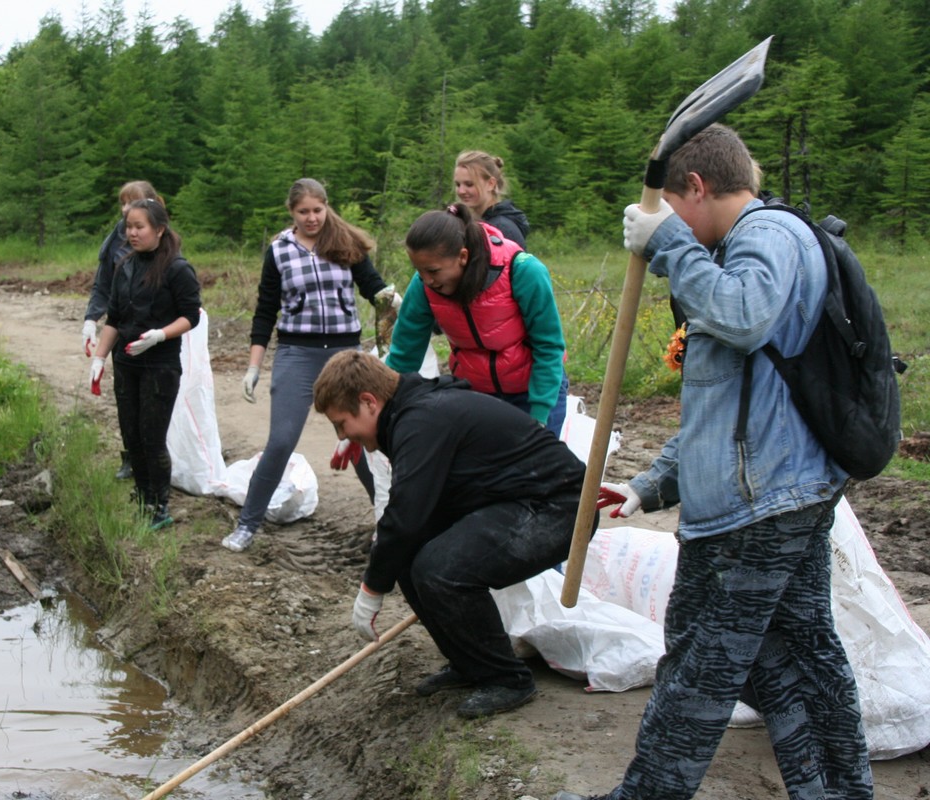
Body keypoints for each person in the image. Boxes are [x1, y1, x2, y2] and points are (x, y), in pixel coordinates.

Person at [552, 124, 872, 800]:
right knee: (797, 658)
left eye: (671, 209)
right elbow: (728, 406)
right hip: (772, 495)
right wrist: (652, 484)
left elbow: (745, 315)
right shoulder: (738, 249)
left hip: (756, 509)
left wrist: (665, 243)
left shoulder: (768, 239)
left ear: (695, 188)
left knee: (700, 665)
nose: (668, 228)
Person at [312, 350, 589, 719]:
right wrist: (356, 433)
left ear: (369, 401)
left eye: (342, 423)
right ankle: (470, 664)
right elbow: (410, 523)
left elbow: (405, 514)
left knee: (441, 569)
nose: (343, 434)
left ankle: (507, 678)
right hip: (509, 501)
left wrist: (371, 588)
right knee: (409, 557)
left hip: (560, 508)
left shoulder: (421, 419)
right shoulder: (408, 413)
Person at [223, 178, 393, 553]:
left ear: (327, 207)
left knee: (366, 442)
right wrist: (254, 365)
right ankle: (247, 524)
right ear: (291, 212)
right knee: (281, 441)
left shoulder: (345, 243)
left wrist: (401, 305)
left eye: (318, 210)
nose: (312, 218)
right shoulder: (279, 251)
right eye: (304, 212)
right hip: (298, 352)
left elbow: (376, 291)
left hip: (346, 356)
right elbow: (266, 309)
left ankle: (390, 524)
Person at [384, 204, 569, 437]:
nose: (426, 280)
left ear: (463, 256)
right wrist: (382, 409)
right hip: (477, 393)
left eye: (433, 271)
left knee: (532, 470)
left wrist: (540, 415)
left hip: (533, 392)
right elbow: (404, 354)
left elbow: (548, 346)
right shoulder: (424, 284)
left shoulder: (522, 270)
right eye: (419, 271)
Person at [88, 199, 201, 530]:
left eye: (140, 227)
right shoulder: (124, 266)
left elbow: (190, 316)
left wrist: (161, 335)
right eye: (129, 227)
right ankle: (141, 494)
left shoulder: (178, 269)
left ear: (159, 229)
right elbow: (115, 318)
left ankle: (159, 505)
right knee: (131, 435)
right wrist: (99, 357)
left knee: (153, 437)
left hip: (160, 366)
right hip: (126, 362)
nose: (132, 233)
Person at [82, 181, 163, 480]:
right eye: (123, 203)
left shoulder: (163, 242)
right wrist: (92, 320)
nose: (126, 210)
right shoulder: (114, 242)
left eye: (134, 203)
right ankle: (131, 456)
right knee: (127, 400)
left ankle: (158, 458)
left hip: (158, 334)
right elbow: (103, 286)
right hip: (124, 331)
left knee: (155, 400)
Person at [453, 151, 529, 248]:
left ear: (490, 184)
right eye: (458, 184)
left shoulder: (502, 229)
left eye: (469, 184)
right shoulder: (476, 223)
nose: (461, 191)